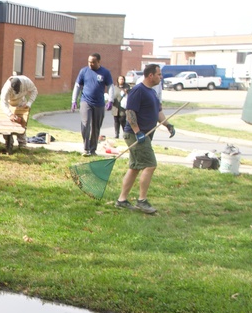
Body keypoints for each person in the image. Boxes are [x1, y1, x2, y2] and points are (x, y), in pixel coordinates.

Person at [115, 63, 175, 215]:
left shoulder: (152, 92)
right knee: (150, 165)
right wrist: (138, 132)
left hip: (146, 134)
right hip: (136, 135)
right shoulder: (138, 91)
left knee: (135, 168)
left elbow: (158, 112)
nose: (161, 77)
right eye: (159, 74)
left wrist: (168, 125)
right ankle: (142, 200)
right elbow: (130, 112)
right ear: (150, 75)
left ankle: (121, 200)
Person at [71, 53, 113, 156]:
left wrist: (110, 100)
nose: (90, 64)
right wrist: (74, 100)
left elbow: (111, 86)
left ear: (99, 61)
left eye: (93, 62)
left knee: (96, 127)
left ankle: (93, 149)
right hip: (86, 101)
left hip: (99, 103)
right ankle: (86, 148)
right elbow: (77, 86)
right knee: (85, 124)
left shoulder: (105, 73)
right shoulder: (83, 71)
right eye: (89, 62)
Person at [0, 74, 37, 151]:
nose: (17, 91)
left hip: (21, 102)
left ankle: (22, 144)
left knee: (22, 122)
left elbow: (34, 91)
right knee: (7, 123)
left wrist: (29, 104)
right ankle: (9, 143)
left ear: (21, 84)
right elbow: (3, 103)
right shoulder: (6, 88)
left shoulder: (26, 82)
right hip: (9, 104)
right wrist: (10, 115)